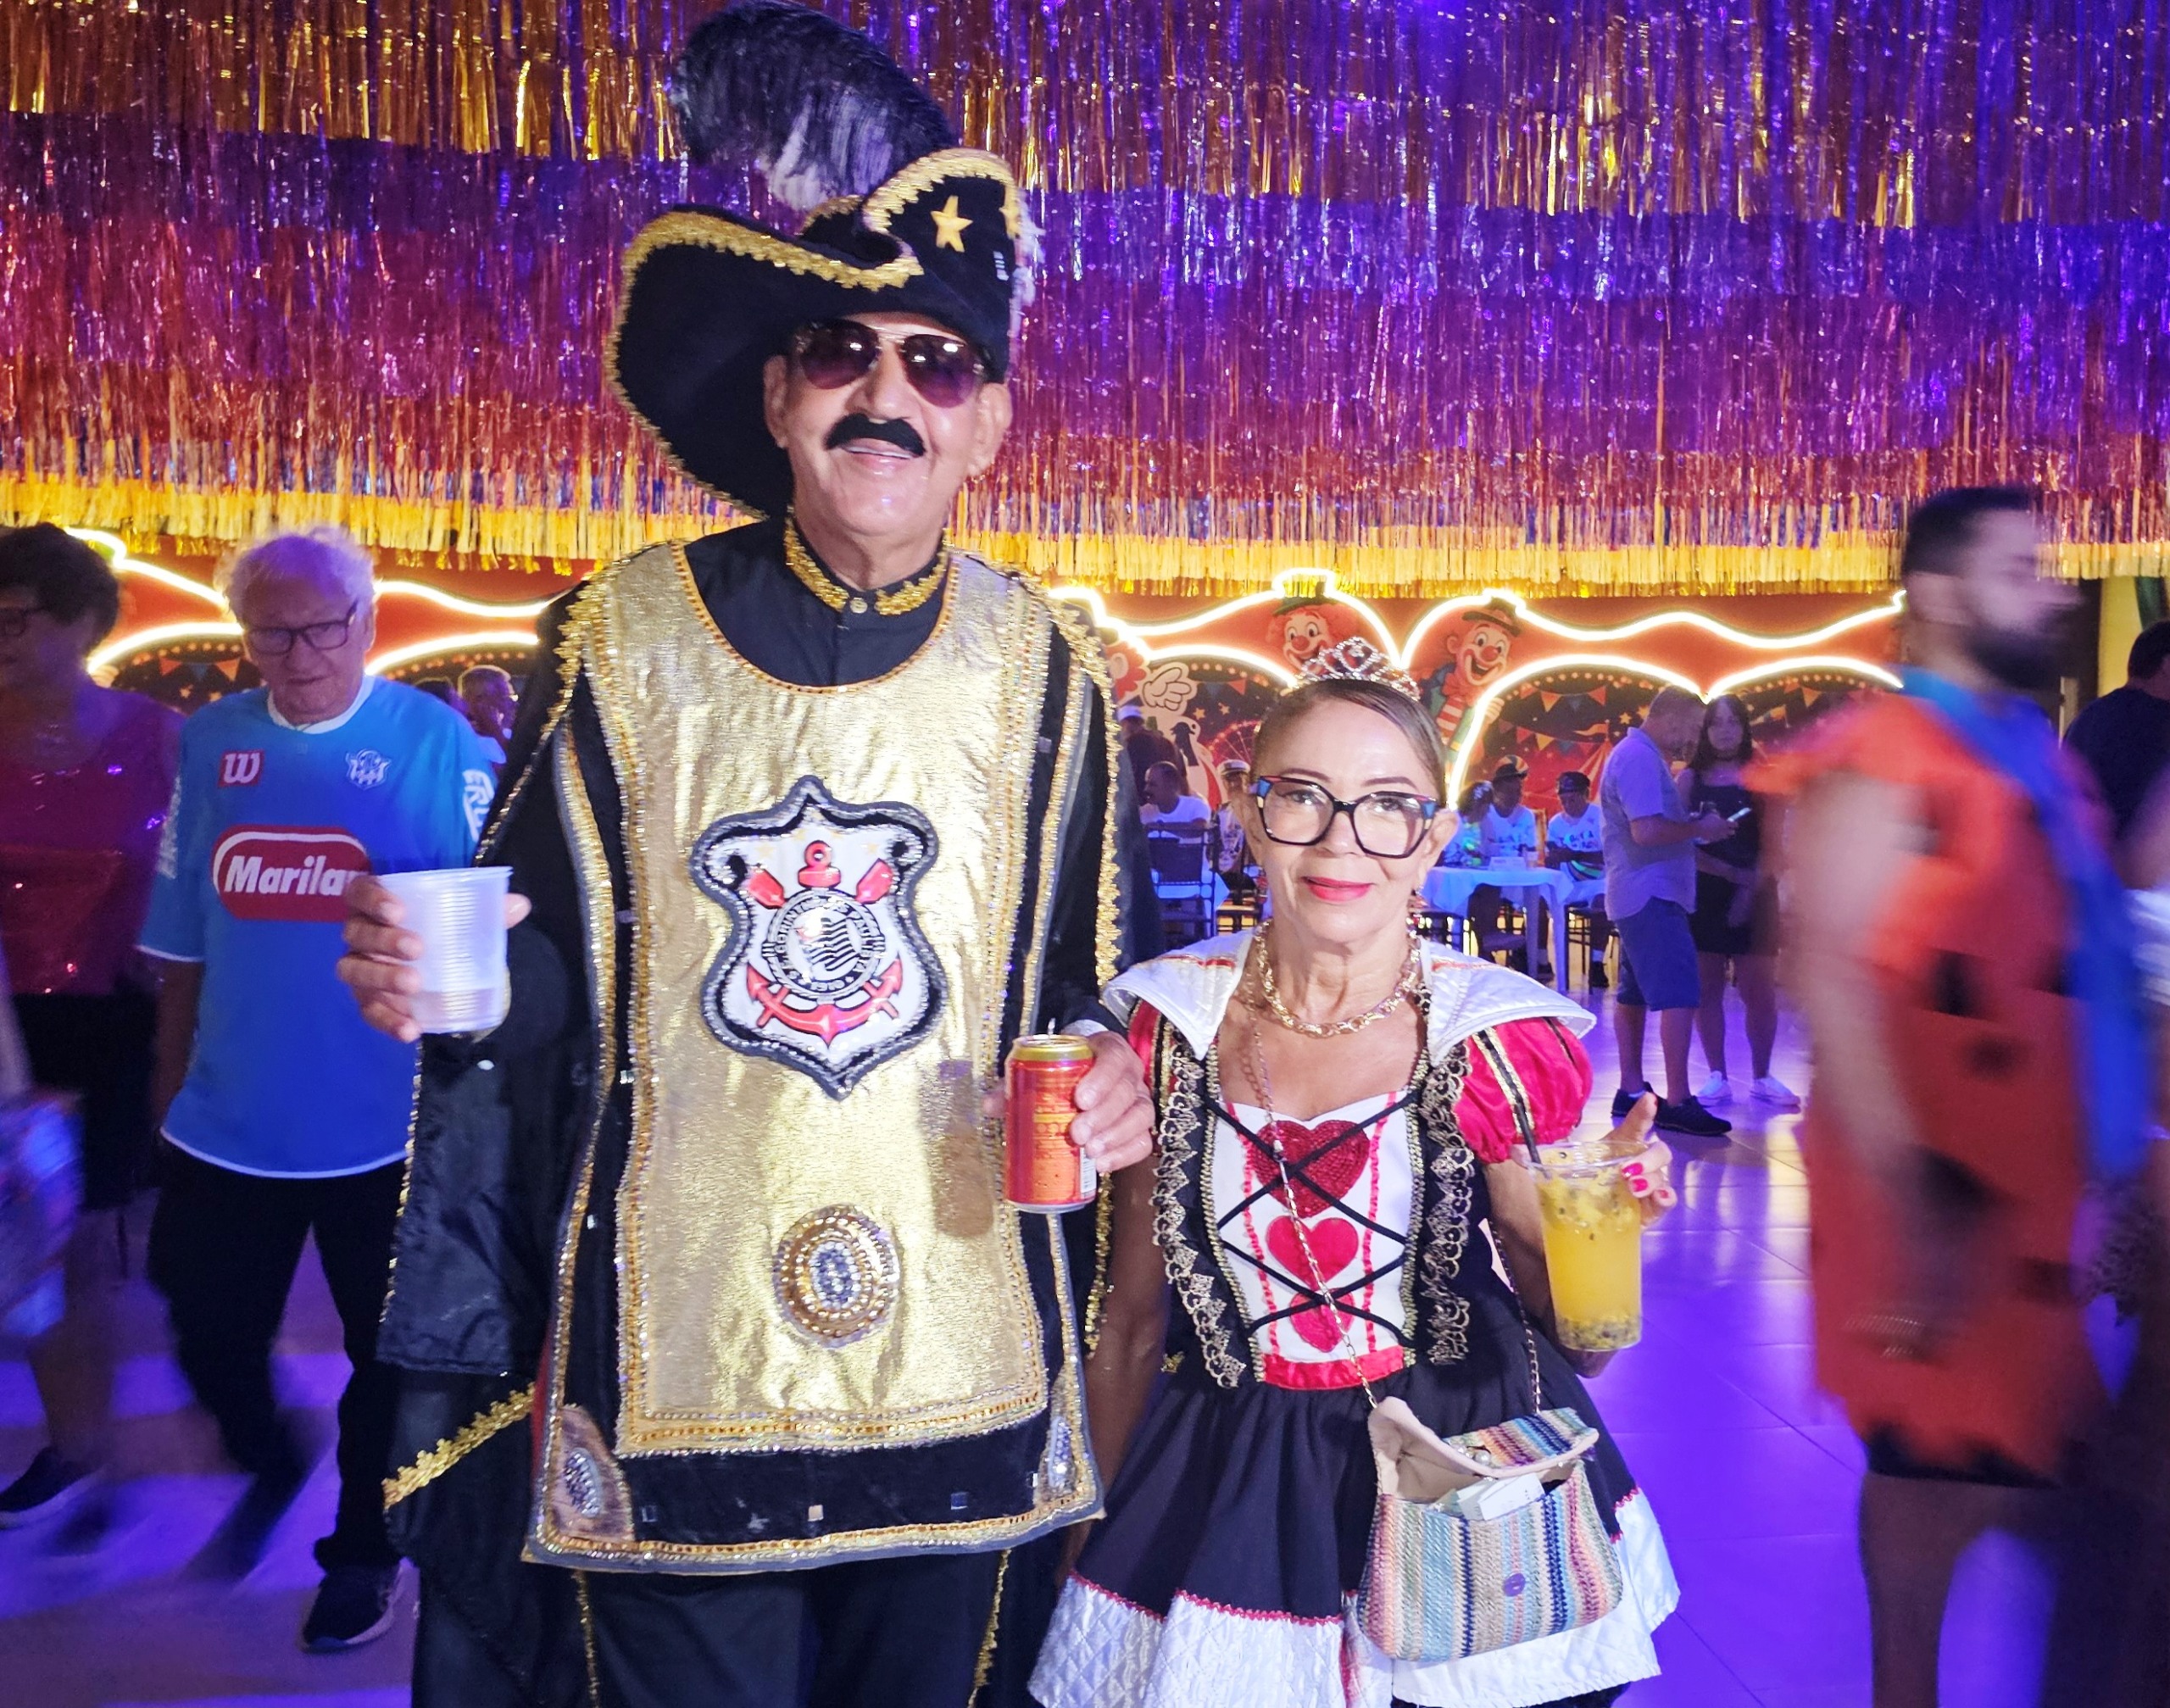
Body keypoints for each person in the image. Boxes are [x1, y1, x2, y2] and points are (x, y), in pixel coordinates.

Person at [334, 8, 1156, 1703]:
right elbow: (542, 970)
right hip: (675, 1354)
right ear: (781, 396)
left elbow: (1095, 988)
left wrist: (1114, 1070)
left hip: (968, 1357)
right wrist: (450, 986)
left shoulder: (1055, 675)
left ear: (987, 425)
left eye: (936, 364)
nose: (885, 395)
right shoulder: (619, 635)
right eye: (842, 352)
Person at [1032, 643, 1680, 1708]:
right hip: (1228, 1471)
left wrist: (1601, 1226)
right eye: (1303, 796)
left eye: (1386, 805)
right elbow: (1133, 1324)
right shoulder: (1166, 1025)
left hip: (1466, 1465)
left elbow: (1582, 1347)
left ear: (1432, 838)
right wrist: (1087, 1525)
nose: (1342, 839)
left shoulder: (1493, 1035)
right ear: (1248, 814)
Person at [1762, 486, 2155, 1708]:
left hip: (2030, 1197)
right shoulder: (1880, 757)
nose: (2054, 590)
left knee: (2009, 1473)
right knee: (1951, 1474)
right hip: (1939, 1197)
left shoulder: (2029, 756)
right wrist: (1914, 1192)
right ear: (1937, 592)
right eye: (2021, 567)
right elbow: (1831, 973)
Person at [138, 526, 496, 1649]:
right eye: (272, 633)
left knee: (381, 1363)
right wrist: (165, 1092)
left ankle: (362, 1552)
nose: (298, 654)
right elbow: (183, 938)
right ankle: (267, 1449)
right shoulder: (212, 742)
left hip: (386, 1126)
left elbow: (483, 931)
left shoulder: (436, 742)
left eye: (322, 629)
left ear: (367, 623)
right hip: (226, 1118)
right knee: (205, 1328)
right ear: (245, 636)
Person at [0, 524, 181, 1527]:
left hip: (109, 1023)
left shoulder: (159, 737)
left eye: (15, 619)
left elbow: (202, 877)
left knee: (71, 1244)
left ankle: (79, 1444)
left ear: (81, 622)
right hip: (0, 1024)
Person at [1599, 687, 1732, 1138]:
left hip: (1637, 893)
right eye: (1693, 727)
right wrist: (1699, 828)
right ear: (1672, 718)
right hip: (1651, 893)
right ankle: (1678, 1099)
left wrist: (1693, 828)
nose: (1694, 739)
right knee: (1679, 994)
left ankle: (1631, 1089)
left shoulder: (1639, 755)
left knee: (1633, 995)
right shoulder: (1639, 758)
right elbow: (1647, 831)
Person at [1679, 696, 1795, 1109]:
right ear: (1706, 731)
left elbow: (1776, 845)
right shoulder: (1690, 779)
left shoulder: (1765, 777)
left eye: (1733, 722)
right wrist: (1727, 874)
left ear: (1745, 727)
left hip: (1757, 890)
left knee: (1758, 989)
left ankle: (1763, 1075)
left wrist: (1749, 888)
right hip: (1706, 892)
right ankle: (1717, 1075)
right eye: (1717, 723)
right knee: (1706, 988)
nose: (1725, 731)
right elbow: (1679, 843)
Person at [2067, 617, 2170, 848]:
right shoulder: (2153, 721)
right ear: (2166, 664)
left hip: (2081, 856)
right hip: (2131, 859)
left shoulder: (2090, 716)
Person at [1546, 770, 1610, 988]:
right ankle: (1541, 960)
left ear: (1585, 795)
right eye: (1563, 800)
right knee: (1542, 897)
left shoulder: (1601, 817)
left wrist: (1575, 855)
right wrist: (1553, 858)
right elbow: (1552, 861)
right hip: (1568, 884)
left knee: (1603, 902)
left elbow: (1608, 856)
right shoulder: (1556, 823)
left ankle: (1596, 963)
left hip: (1598, 882)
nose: (1567, 805)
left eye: (1572, 799)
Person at [459, 664, 516, 767]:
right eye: (504, 696)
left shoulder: (509, 733)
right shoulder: (464, 740)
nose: (512, 703)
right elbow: (515, 766)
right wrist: (496, 732)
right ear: (478, 700)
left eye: (511, 697)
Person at [1139, 759, 1210, 826]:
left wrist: (1156, 827)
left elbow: (1198, 828)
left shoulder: (1196, 806)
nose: (1146, 789)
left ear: (1171, 786)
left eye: (1153, 785)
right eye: (1147, 784)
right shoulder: (1143, 813)